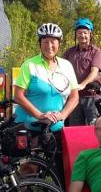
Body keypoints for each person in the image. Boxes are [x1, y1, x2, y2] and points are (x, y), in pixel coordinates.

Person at [13, 23, 80, 177]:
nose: (49, 46)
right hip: (30, 124)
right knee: (29, 167)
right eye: (45, 42)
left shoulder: (66, 65)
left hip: (55, 126)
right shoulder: (29, 65)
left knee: (61, 166)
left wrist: (63, 115)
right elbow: (18, 95)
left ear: (59, 43)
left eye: (53, 41)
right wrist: (39, 115)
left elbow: (74, 96)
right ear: (40, 43)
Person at [63, 17, 101, 126]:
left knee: (94, 127)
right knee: (75, 128)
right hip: (74, 97)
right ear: (76, 34)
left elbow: (94, 72)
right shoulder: (69, 52)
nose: (82, 35)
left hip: (91, 97)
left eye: (85, 33)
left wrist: (82, 85)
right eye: (79, 33)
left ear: (90, 34)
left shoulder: (96, 52)